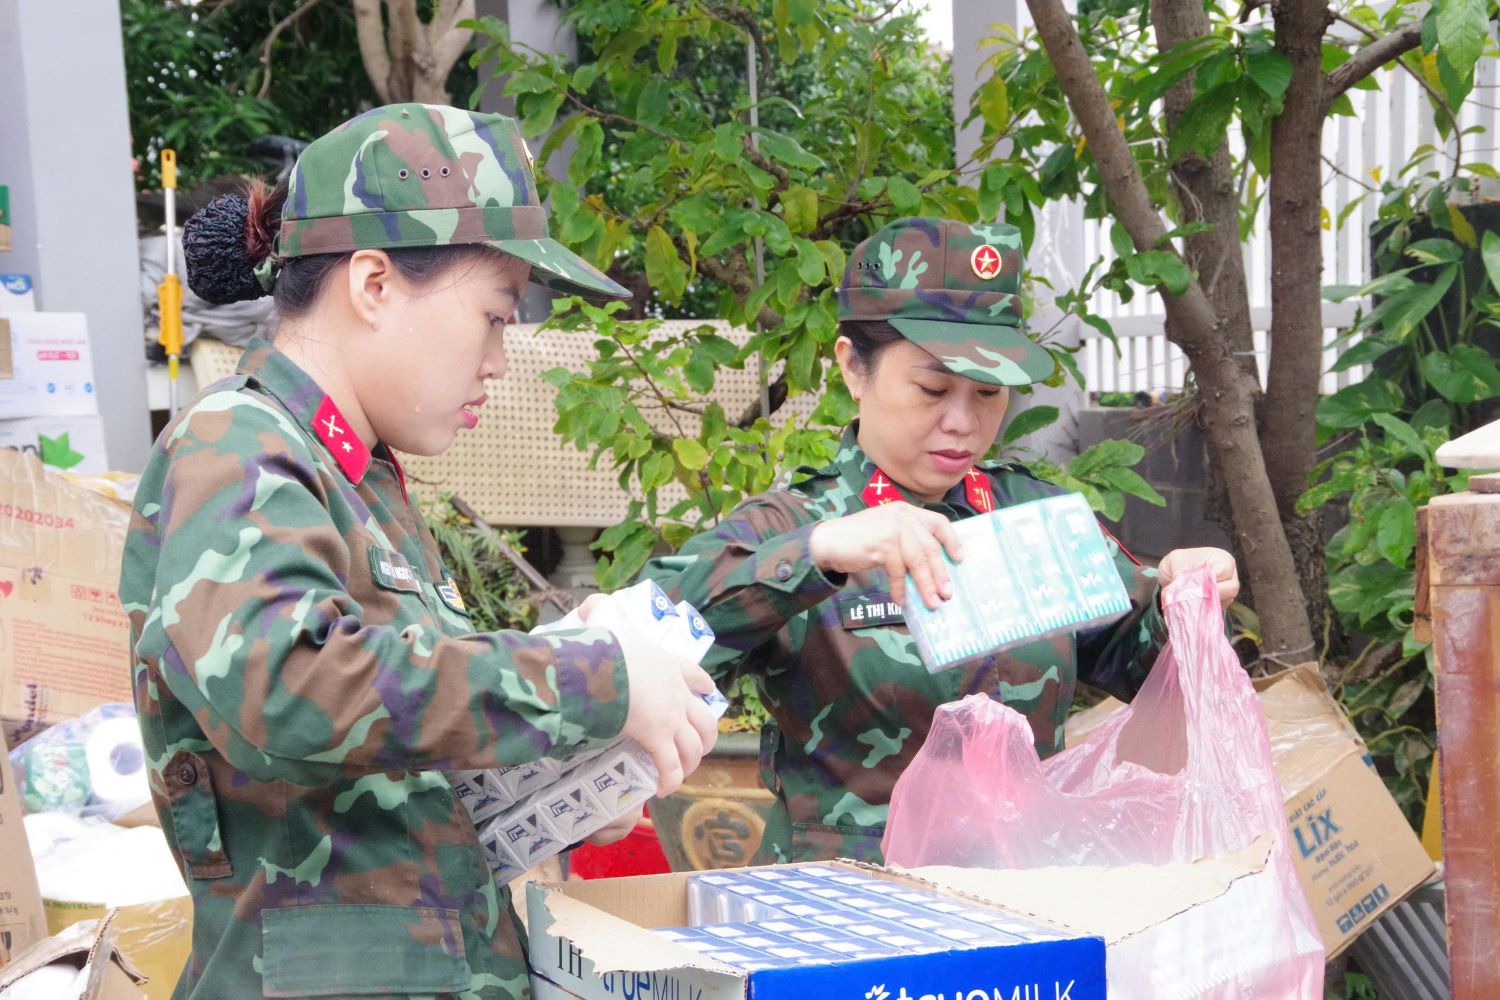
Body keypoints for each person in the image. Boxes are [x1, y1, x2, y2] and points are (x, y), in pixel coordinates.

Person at [121, 104, 719, 1000]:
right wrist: (593, 681)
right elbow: (288, 688)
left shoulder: (359, 480)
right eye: (494, 316)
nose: (499, 361)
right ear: (373, 284)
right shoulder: (237, 446)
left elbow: (398, 766)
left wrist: (565, 777)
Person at [640, 217, 1238, 865]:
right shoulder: (793, 527)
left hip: (1023, 893)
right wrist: (816, 555)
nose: (962, 421)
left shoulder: (1029, 515)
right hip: (850, 900)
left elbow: (1146, 664)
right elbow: (646, 641)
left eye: (987, 393)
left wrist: (1187, 602)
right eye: (932, 388)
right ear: (853, 368)